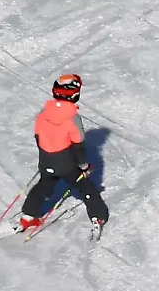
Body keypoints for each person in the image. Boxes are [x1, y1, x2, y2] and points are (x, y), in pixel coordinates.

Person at [18, 75, 109, 233]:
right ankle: (98, 215)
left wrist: (47, 157)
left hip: (46, 161)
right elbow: (78, 146)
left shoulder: (43, 113)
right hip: (67, 165)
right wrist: (84, 166)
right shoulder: (73, 118)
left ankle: (28, 216)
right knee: (86, 188)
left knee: (43, 186)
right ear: (75, 96)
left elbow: (38, 137)